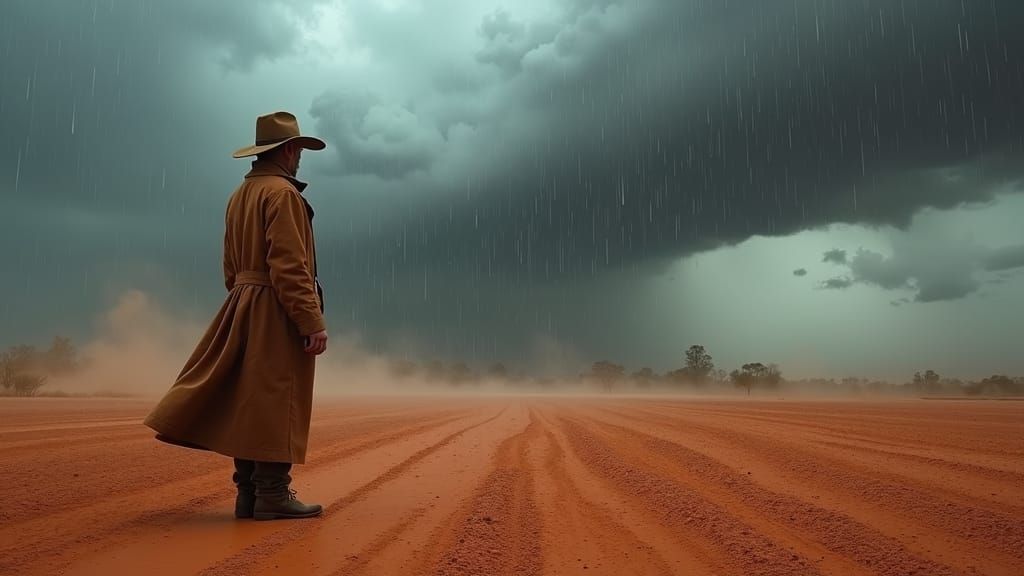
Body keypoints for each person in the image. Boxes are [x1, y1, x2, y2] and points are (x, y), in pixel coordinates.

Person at [144, 111, 329, 521]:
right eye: (298, 148)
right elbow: (290, 266)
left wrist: (245, 298)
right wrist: (310, 320)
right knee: (277, 400)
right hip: (274, 305)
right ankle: (272, 495)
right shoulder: (282, 195)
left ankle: (248, 495)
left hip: (243, 300)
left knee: (251, 400)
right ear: (288, 150)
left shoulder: (240, 195)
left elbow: (229, 266)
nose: (299, 156)